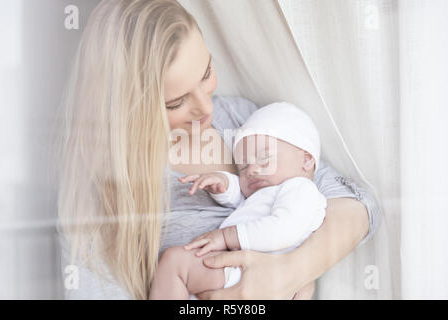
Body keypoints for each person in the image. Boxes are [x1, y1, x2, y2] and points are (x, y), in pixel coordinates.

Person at [58, 0, 380, 300]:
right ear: (129, 107)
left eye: (207, 73)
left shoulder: (244, 122)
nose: (206, 108)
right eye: (176, 102)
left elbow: (358, 206)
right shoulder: (106, 193)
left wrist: (287, 273)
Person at [149, 102, 327, 300]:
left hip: (254, 273)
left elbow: (284, 228)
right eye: (243, 167)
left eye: (264, 158)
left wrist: (226, 237)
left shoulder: (301, 189)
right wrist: (223, 182)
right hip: (243, 274)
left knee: (175, 262)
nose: (251, 170)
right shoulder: (266, 194)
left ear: (307, 160)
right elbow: (243, 201)